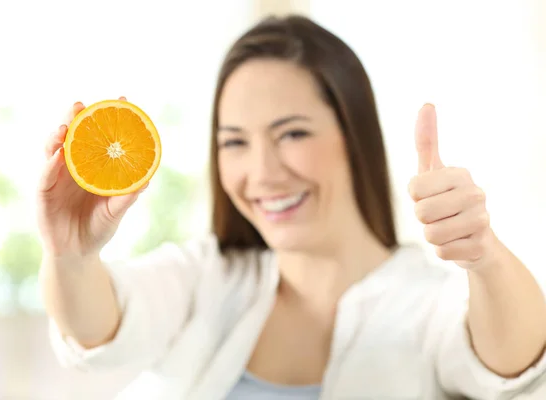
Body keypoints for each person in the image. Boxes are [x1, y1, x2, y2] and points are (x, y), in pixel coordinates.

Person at [37, 15, 546, 400]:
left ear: (353, 136)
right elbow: (99, 330)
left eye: (293, 134)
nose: (261, 173)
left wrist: (485, 257)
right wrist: (71, 255)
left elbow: (511, 362)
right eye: (234, 142)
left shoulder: (427, 304)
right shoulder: (207, 278)